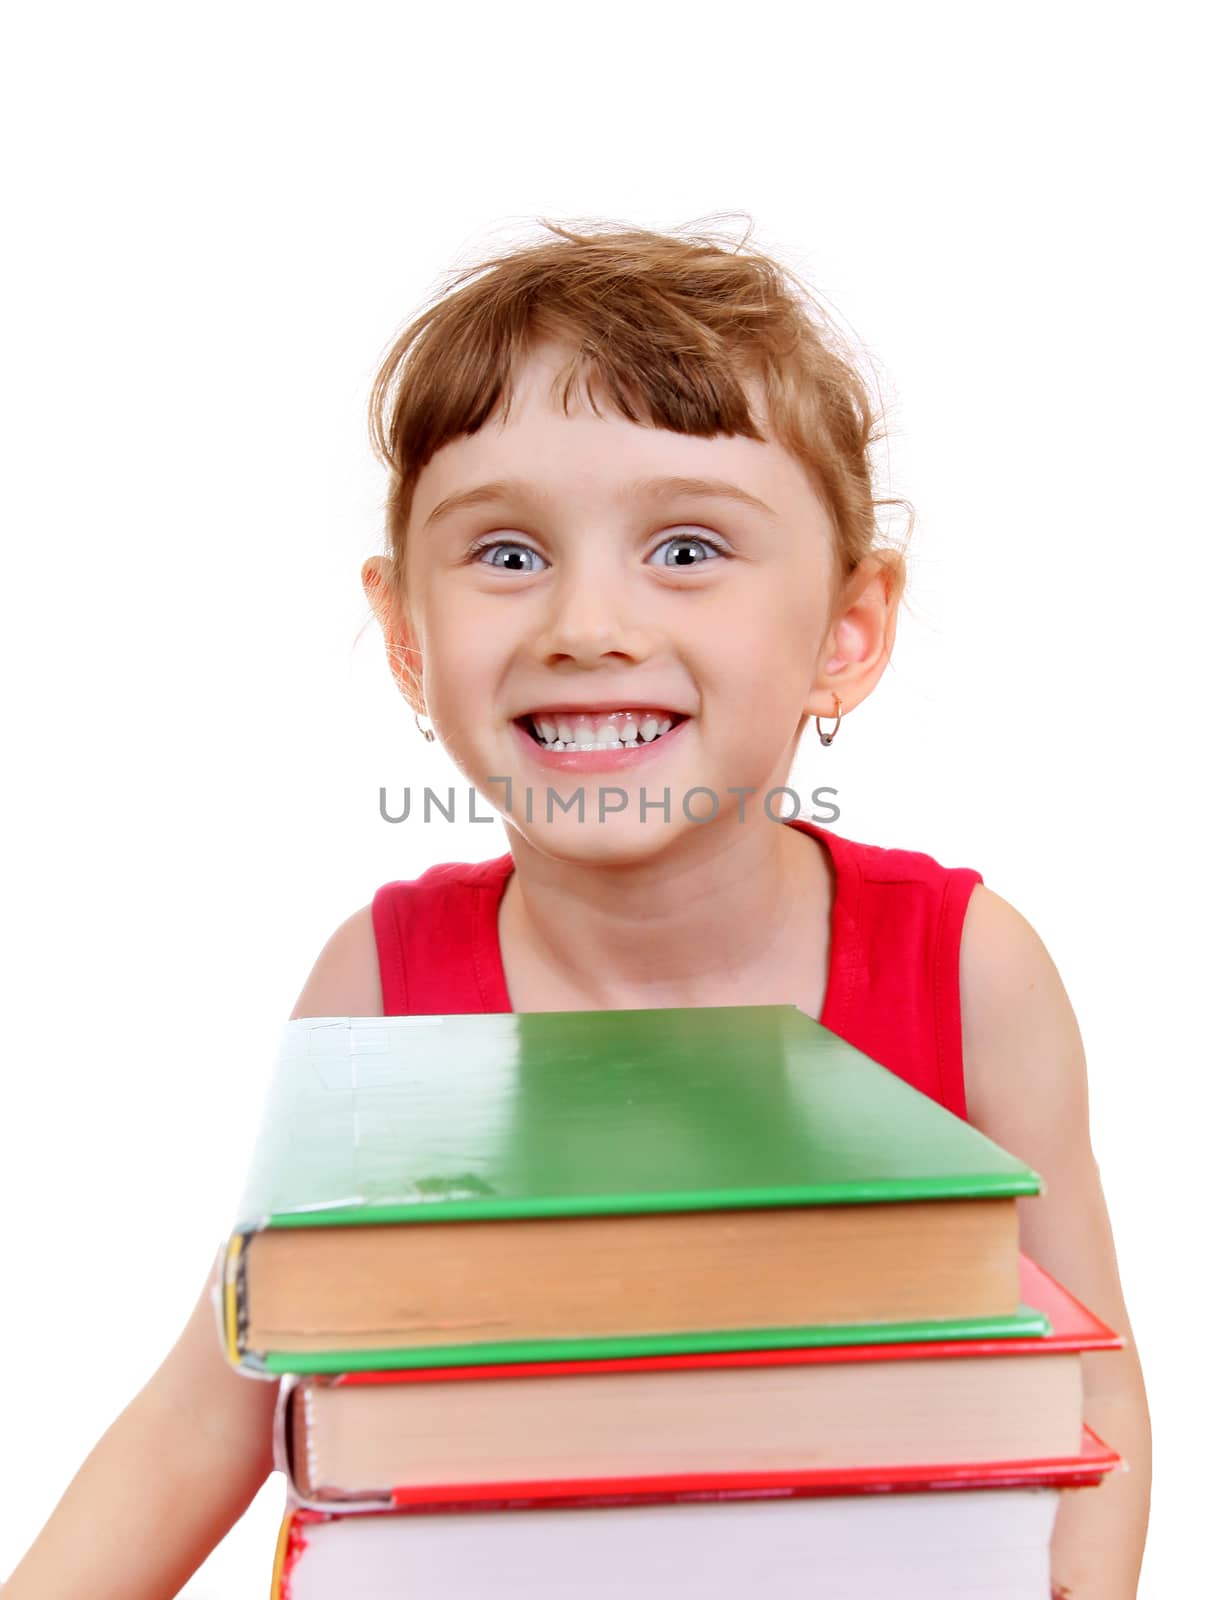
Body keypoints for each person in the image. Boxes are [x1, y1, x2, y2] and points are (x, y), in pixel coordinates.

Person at [1, 218, 1151, 1599]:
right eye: (504, 554)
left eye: (683, 549)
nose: (585, 621)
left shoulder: (972, 972)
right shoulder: (377, 983)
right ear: (410, 641)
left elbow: (1089, 1402)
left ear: (847, 632)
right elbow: (214, 1403)